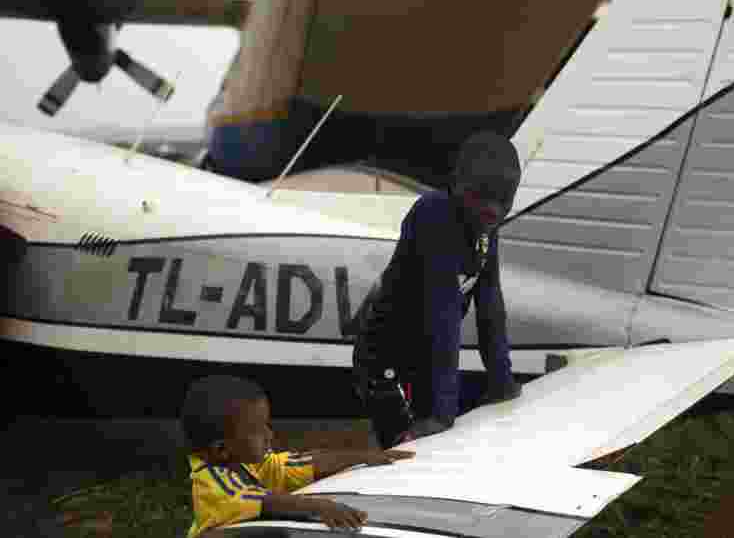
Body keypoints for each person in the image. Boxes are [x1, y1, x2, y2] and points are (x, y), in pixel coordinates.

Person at [351, 131, 523, 449]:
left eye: (503, 200)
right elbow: (442, 313)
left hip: (424, 357)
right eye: (483, 196)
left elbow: (490, 305)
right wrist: (443, 413)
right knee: (405, 452)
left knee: (436, 437)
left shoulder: (485, 228)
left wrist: (502, 380)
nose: (493, 210)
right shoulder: (433, 214)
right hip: (386, 357)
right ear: (456, 184)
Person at [181, 375, 413, 537]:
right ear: (222, 449)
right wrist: (319, 507)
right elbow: (265, 502)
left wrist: (363, 457)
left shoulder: (245, 462)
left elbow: (299, 465)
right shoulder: (210, 483)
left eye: (267, 425)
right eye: (258, 430)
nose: (269, 435)